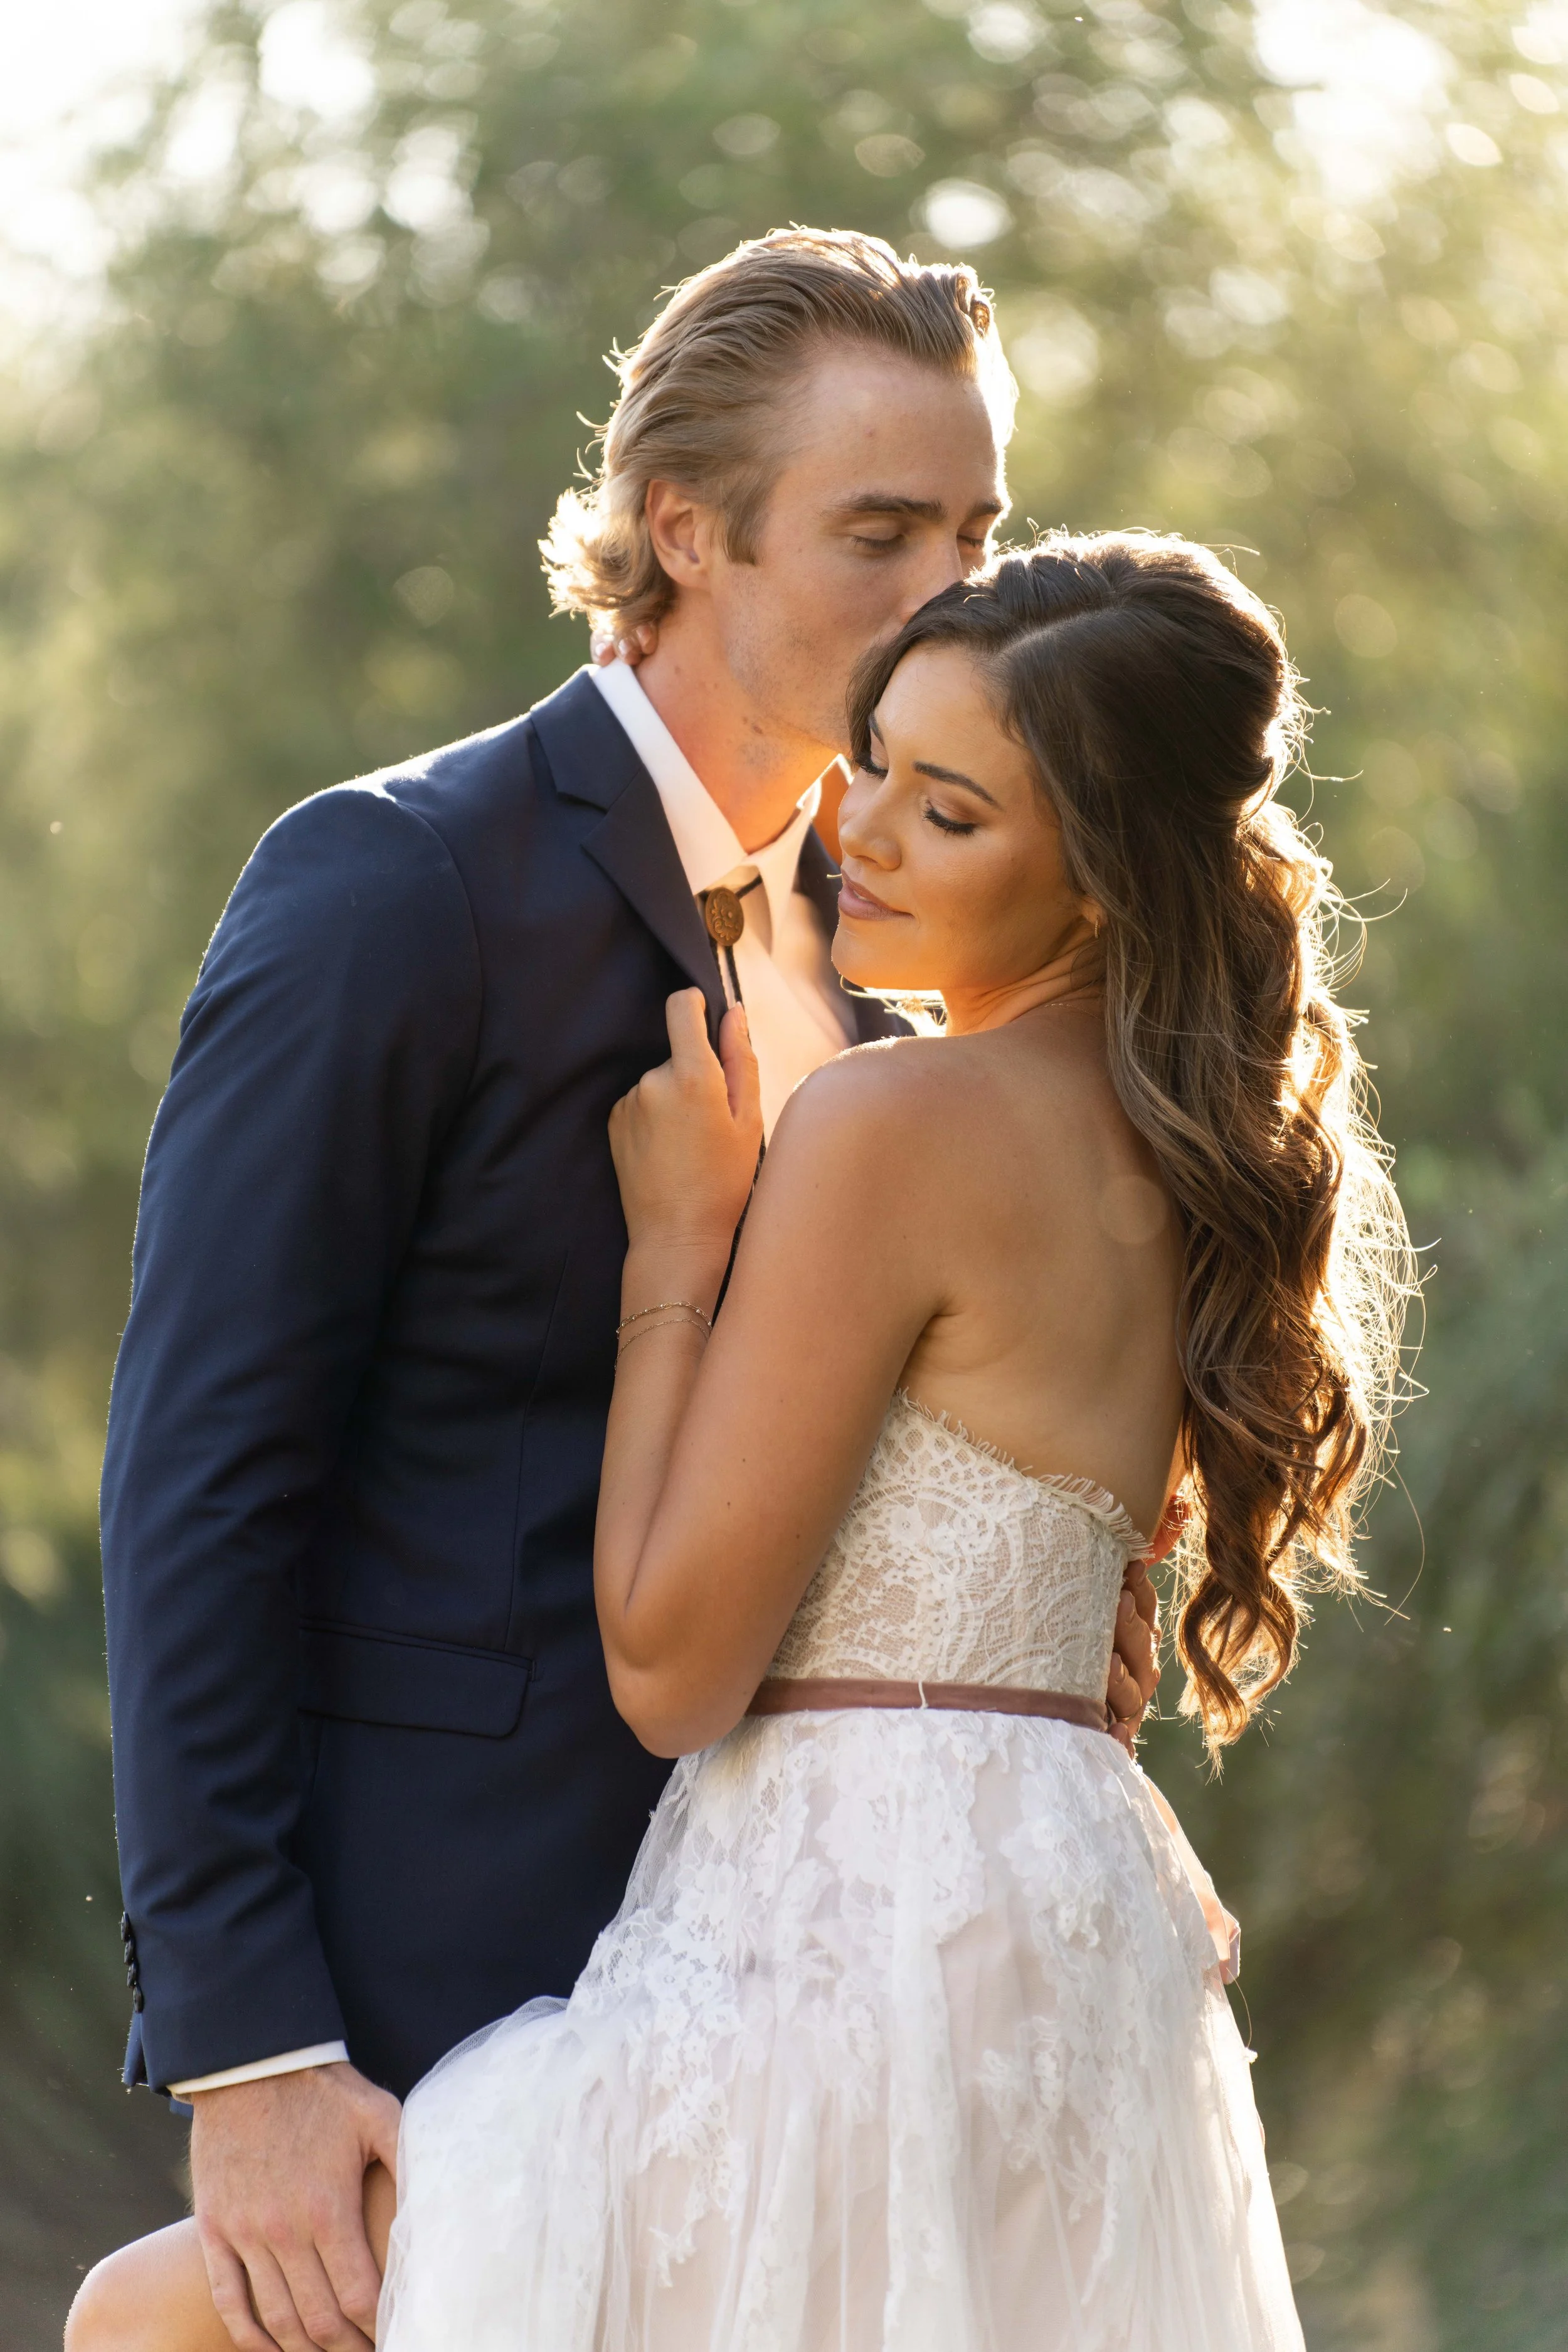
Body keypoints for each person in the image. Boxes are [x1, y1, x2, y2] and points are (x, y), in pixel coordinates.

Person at [80, 530, 1411, 2347]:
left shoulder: (889, 1118)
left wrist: (676, 1252)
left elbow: (667, 1663)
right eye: (874, 762)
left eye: (946, 813)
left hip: (850, 1939)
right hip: (1067, 1929)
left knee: (153, 2319)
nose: (856, 831)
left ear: (1097, 877)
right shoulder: (1183, 1148)